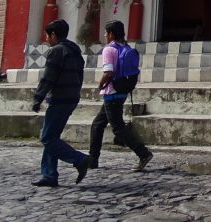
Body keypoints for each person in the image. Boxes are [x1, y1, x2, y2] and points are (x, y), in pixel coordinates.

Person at [31, 19, 90, 187]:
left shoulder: (56, 51)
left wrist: (38, 98)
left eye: (48, 36)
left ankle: (79, 159)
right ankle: (49, 174)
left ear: (54, 35)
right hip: (71, 97)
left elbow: (48, 78)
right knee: (53, 136)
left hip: (60, 98)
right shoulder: (74, 49)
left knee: (47, 138)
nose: (47, 40)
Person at [88, 20, 153, 171]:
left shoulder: (109, 50)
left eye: (106, 32)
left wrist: (100, 85)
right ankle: (92, 160)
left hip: (111, 92)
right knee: (97, 125)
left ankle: (143, 153)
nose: (104, 35)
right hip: (122, 91)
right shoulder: (126, 47)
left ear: (111, 34)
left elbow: (108, 72)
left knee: (118, 128)